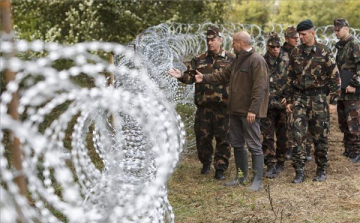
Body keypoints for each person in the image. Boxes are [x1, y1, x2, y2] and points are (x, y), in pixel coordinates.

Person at [194, 31, 269, 191]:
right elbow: (222, 76)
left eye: (234, 43)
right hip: (234, 110)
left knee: (254, 145)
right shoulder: (238, 61)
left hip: (248, 112)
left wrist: (253, 110)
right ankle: (241, 177)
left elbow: (260, 87)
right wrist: (204, 78)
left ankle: (257, 181)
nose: (231, 46)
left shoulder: (256, 60)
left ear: (241, 43)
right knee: (237, 144)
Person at [168, 25, 235, 180]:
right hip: (204, 107)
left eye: (213, 40)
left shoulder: (231, 59)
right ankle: (206, 163)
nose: (210, 43)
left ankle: (220, 168)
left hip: (223, 107)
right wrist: (180, 76)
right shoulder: (199, 60)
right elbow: (190, 78)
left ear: (220, 40)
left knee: (223, 139)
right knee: (202, 137)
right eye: (208, 40)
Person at [285, 19, 340, 183]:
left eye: (303, 34)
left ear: (312, 33)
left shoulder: (324, 51)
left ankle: (321, 169)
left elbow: (335, 78)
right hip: (300, 98)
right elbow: (289, 78)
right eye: (299, 35)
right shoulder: (295, 53)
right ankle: (299, 171)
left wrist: (333, 102)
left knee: (320, 136)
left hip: (319, 99)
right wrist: (288, 100)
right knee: (297, 135)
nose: (301, 37)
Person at [282, 26, 313, 162]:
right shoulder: (281, 52)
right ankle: (291, 148)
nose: (297, 39)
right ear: (286, 38)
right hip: (288, 92)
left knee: (306, 122)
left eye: (297, 37)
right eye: (293, 37)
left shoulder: (303, 51)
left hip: (303, 93)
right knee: (290, 124)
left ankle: (307, 149)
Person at [260, 32, 289, 178]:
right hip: (266, 105)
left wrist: (288, 97)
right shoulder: (261, 61)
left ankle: (281, 161)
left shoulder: (286, 60)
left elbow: (292, 80)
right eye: (273, 47)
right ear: (268, 47)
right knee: (267, 137)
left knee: (283, 136)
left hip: (282, 106)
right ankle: (270, 164)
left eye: (278, 47)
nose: (276, 50)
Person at [333, 18, 360, 163]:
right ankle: (349, 149)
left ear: (346, 29)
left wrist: (354, 84)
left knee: (354, 121)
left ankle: (357, 151)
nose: (336, 32)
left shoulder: (354, 44)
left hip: (353, 91)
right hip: (343, 89)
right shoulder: (342, 46)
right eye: (334, 30)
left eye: (338, 30)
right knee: (344, 121)